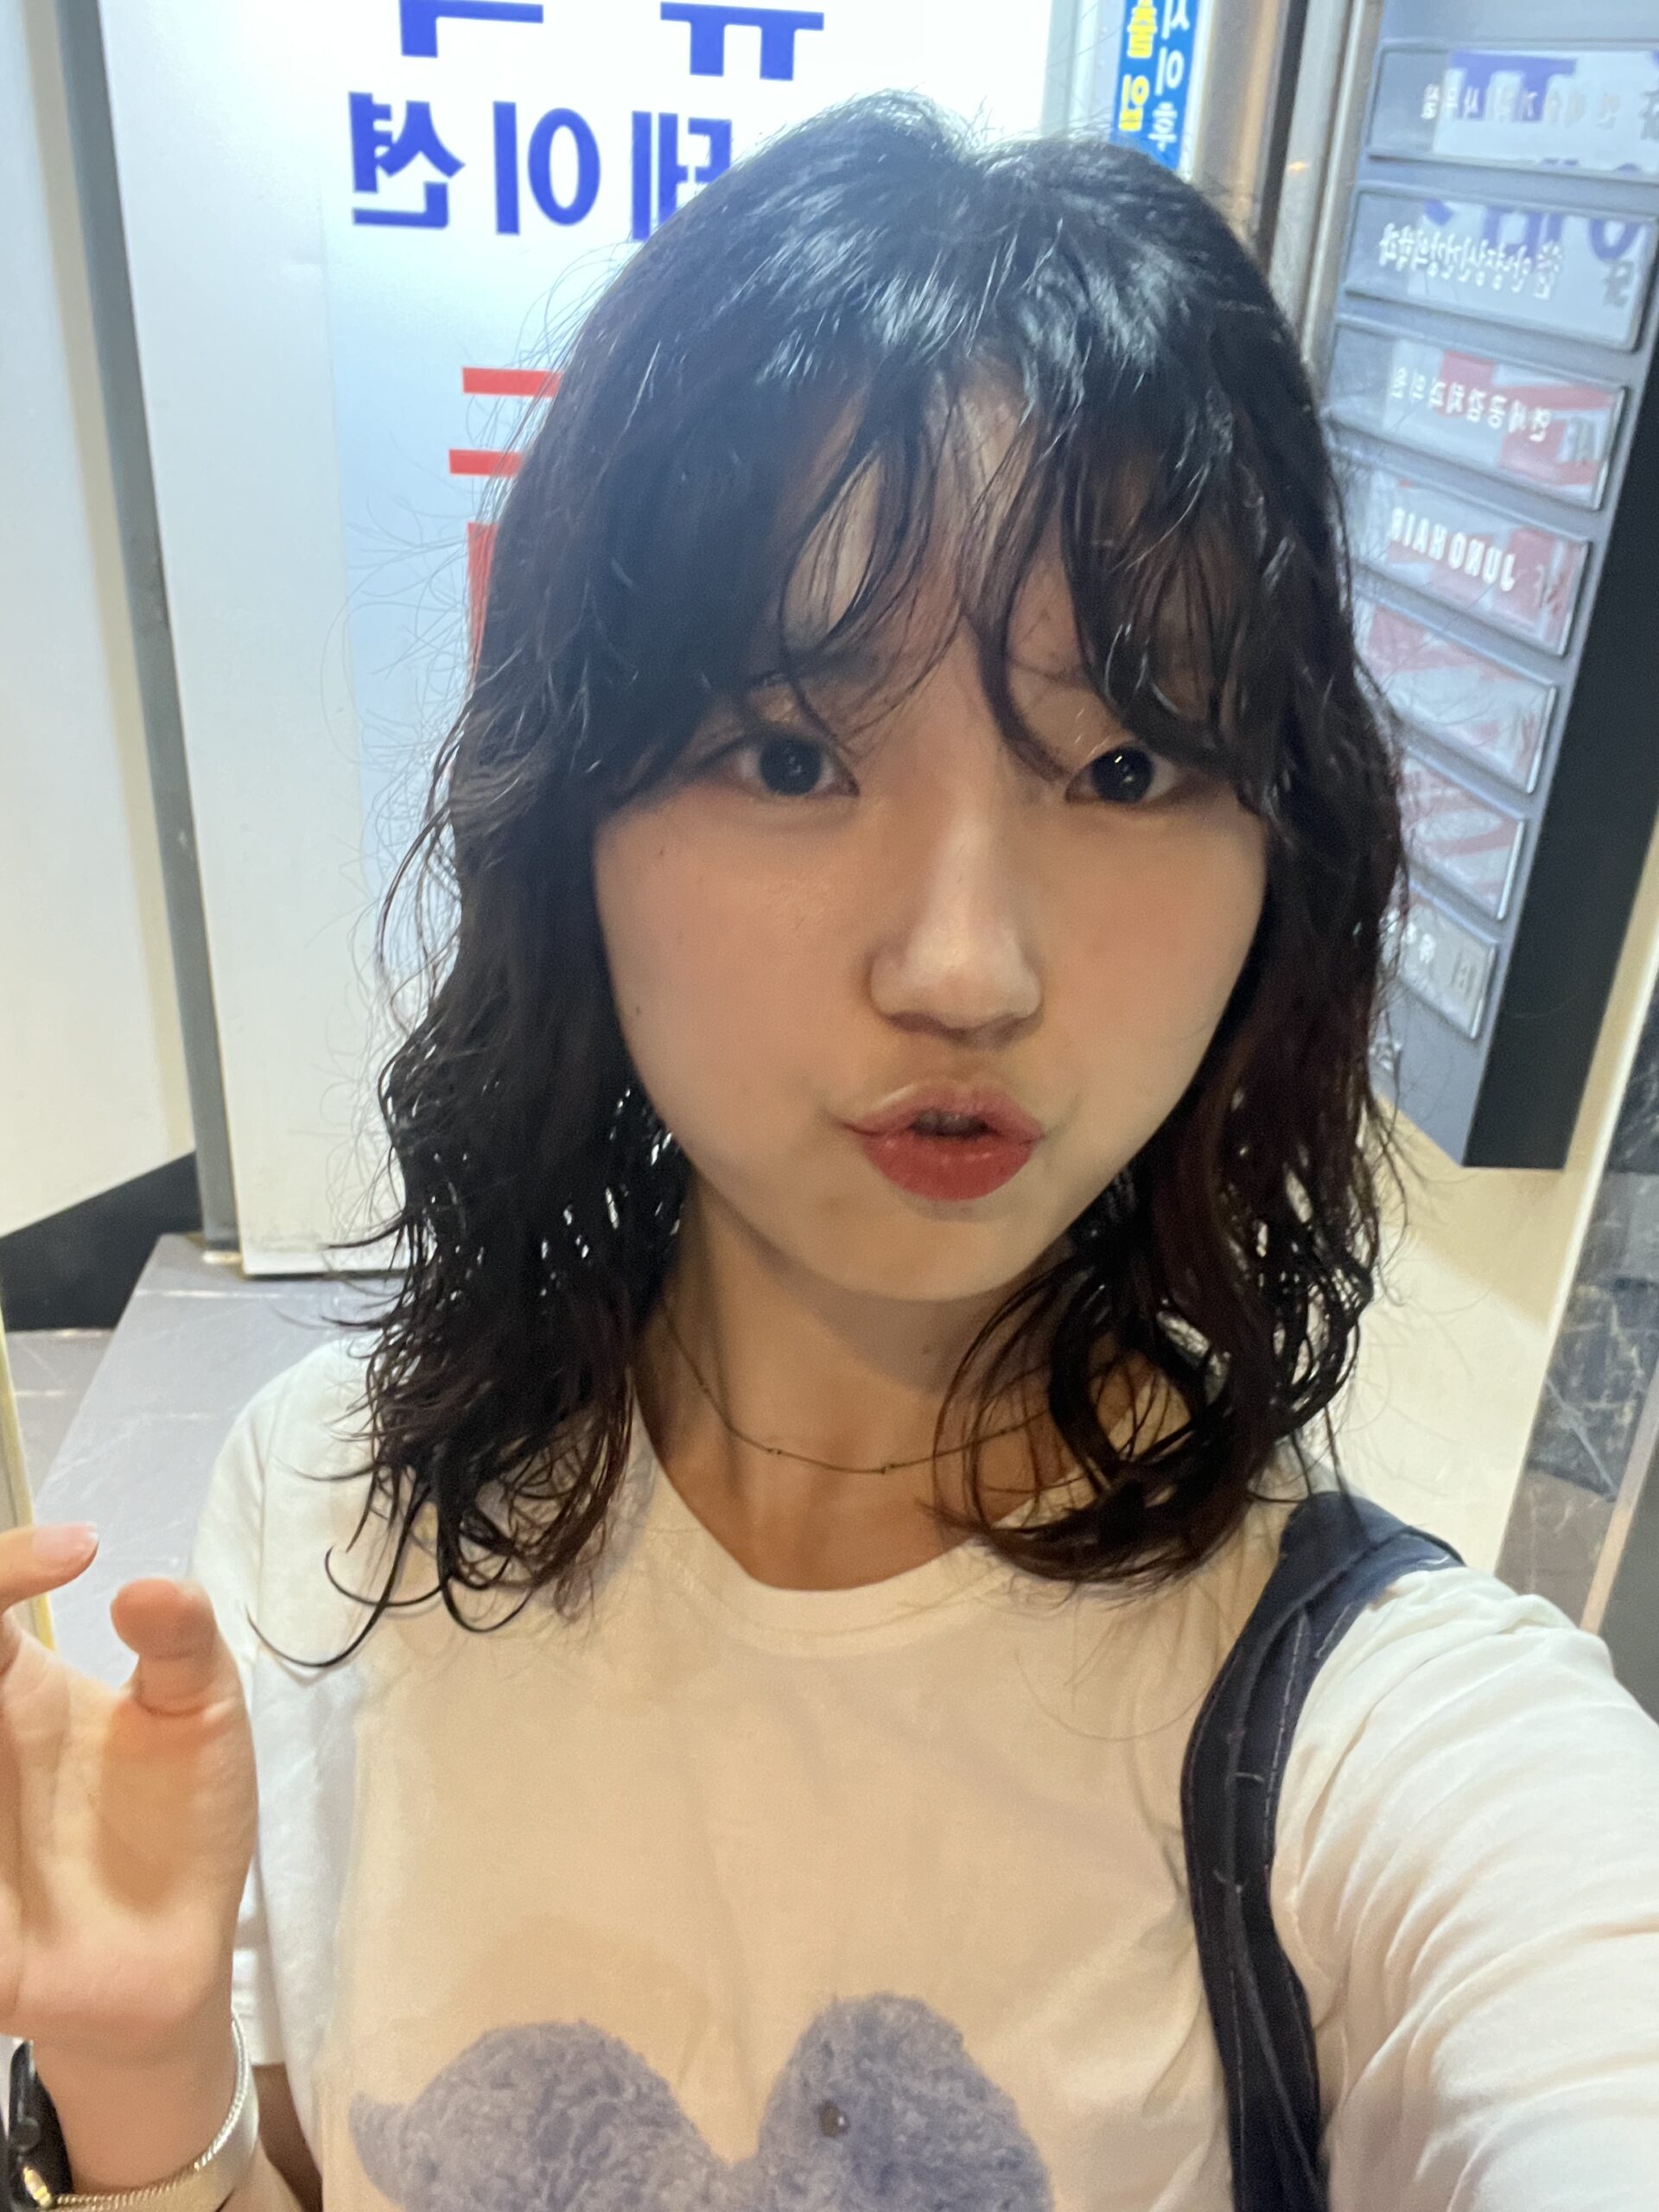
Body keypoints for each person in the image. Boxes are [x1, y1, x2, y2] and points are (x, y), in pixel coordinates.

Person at [3, 91, 1658, 2212]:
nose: (965, 966)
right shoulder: (332, 1509)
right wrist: (140, 2077)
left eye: (1125, 764)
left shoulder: (1354, 1727)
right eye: (791, 753)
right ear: (575, 820)